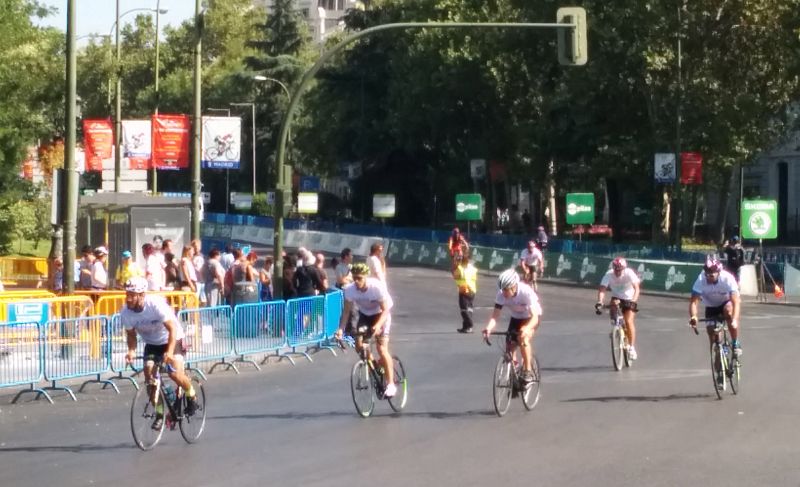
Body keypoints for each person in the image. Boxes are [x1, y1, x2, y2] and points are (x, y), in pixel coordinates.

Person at [122, 277, 199, 429]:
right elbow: (131, 336)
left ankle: (191, 394)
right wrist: (131, 351)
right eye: (127, 294)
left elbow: (172, 329)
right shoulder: (126, 313)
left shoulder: (155, 305)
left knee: (175, 374)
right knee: (150, 379)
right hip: (152, 344)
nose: (128, 299)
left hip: (173, 339)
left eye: (132, 295)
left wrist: (169, 352)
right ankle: (160, 413)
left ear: (141, 295)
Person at [334, 263, 397, 397]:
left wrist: (378, 326)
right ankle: (375, 366)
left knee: (381, 349)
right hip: (365, 315)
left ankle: (391, 384)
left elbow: (385, 310)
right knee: (359, 345)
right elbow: (346, 312)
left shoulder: (376, 287)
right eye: (355, 278)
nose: (357, 281)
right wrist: (340, 329)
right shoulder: (350, 290)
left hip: (381, 314)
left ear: (366, 277)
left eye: (360, 278)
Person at [482, 268, 542, 383]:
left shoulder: (526, 292)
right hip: (516, 318)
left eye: (506, 290)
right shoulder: (501, 295)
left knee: (523, 338)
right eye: (502, 290)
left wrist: (527, 328)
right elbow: (495, 316)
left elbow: (535, 317)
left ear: (514, 286)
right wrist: (488, 328)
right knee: (509, 347)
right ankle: (514, 372)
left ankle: (527, 371)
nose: (503, 293)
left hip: (531, 318)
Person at [689, 256, 742, 375]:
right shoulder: (701, 279)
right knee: (713, 340)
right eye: (708, 272)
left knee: (729, 312)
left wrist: (734, 319)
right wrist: (694, 316)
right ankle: (719, 370)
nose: (710, 275)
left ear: (719, 271)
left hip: (725, 302)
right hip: (711, 307)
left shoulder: (727, 278)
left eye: (713, 272)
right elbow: (694, 302)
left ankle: (735, 342)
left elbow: (736, 302)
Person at [595, 257, 641, 360]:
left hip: (629, 298)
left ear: (624, 268)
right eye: (615, 269)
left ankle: (631, 347)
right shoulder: (609, 274)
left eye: (619, 269)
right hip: (616, 297)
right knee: (613, 313)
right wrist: (600, 302)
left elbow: (637, 288)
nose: (617, 271)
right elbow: (602, 289)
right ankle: (616, 329)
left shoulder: (629, 273)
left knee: (629, 321)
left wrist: (633, 301)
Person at [453, 252, 477, 333]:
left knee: (463, 309)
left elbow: (455, 275)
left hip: (464, 290)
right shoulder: (473, 268)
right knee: (469, 308)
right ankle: (466, 327)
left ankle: (470, 324)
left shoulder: (459, 268)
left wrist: (455, 263)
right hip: (472, 290)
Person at [191, 239, 207, 306]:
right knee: (195, 298)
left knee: (203, 299)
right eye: (195, 247)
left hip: (202, 280)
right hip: (196, 280)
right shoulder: (191, 257)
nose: (196, 248)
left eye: (198, 246)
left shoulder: (202, 256)